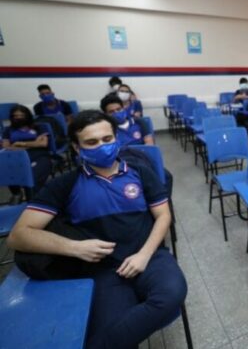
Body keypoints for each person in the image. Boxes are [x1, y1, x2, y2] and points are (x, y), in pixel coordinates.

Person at [7, 110, 187, 348]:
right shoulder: (65, 184)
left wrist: (144, 255)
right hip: (104, 270)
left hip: (149, 256)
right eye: (91, 142)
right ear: (76, 147)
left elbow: (164, 215)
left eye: (107, 139)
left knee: (172, 294)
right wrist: (74, 247)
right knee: (114, 327)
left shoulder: (140, 172)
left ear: (116, 139)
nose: (102, 146)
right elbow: (18, 236)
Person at [2, 105, 52, 202]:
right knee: (8, 169)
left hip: (38, 155)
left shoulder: (38, 127)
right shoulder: (8, 130)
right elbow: (6, 146)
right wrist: (33, 143)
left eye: (21, 115)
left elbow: (43, 143)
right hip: (16, 156)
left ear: (27, 115)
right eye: (15, 116)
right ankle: (17, 194)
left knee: (34, 176)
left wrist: (20, 144)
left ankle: (33, 199)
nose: (18, 118)